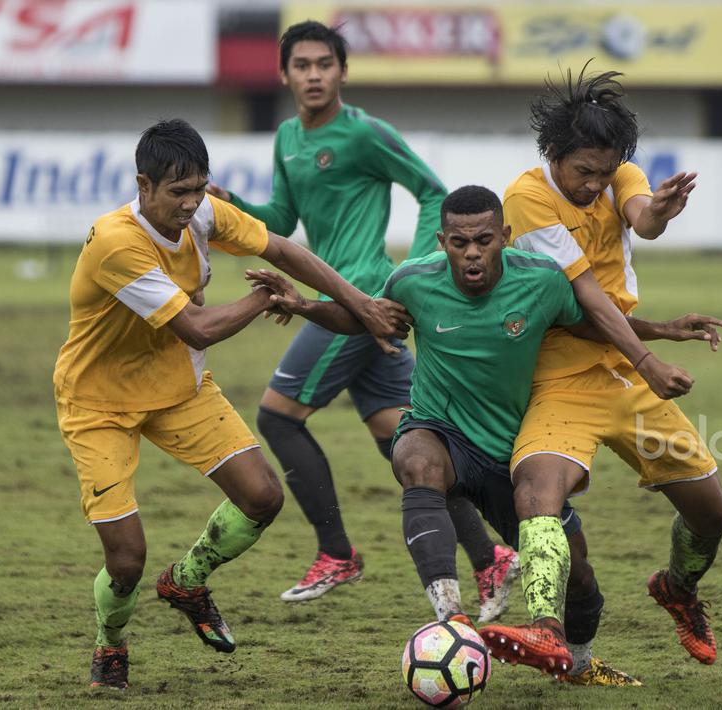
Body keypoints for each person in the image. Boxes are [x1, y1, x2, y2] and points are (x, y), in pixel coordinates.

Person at [249, 185, 722, 686]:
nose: (471, 253)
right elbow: (362, 317)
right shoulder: (414, 280)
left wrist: (664, 330)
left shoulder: (541, 281)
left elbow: (593, 325)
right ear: (442, 240)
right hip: (441, 429)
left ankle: (579, 664)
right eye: (458, 242)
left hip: (508, 451)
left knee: (578, 576)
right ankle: (450, 616)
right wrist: (303, 304)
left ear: (506, 236)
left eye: (483, 240)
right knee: (413, 458)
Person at [53, 119, 403, 690]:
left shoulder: (204, 214)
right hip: (99, 405)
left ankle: (188, 581)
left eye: (199, 189)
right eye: (178, 193)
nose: (193, 205)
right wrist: (265, 295)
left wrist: (361, 305)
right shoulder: (117, 242)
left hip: (177, 391)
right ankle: (111, 643)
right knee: (126, 560)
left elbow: (285, 248)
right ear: (143, 186)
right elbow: (197, 327)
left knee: (263, 495)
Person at [208, 20, 514, 616]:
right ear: (285, 74)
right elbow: (283, 217)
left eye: (325, 63)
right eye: (302, 65)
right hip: (342, 298)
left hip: (360, 297)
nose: (314, 74)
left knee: (277, 418)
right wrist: (234, 205)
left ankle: (337, 553)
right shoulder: (287, 139)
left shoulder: (366, 133)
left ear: (343, 71)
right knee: (408, 447)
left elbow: (431, 190)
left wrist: (423, 261)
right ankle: (492, 560)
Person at [500, 65, 722, 668]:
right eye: (584, 173)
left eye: (605, 174)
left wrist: (660, 208)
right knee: (538, 490)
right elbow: (585, 296)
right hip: (560, 372)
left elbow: (643, 222)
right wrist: (651, 356)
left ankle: (678, 590)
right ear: (553, 154)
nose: (593, 185)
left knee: (713, 514)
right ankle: (546, 628)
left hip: (624, 371)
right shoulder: (526, 198)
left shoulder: (615, 171)